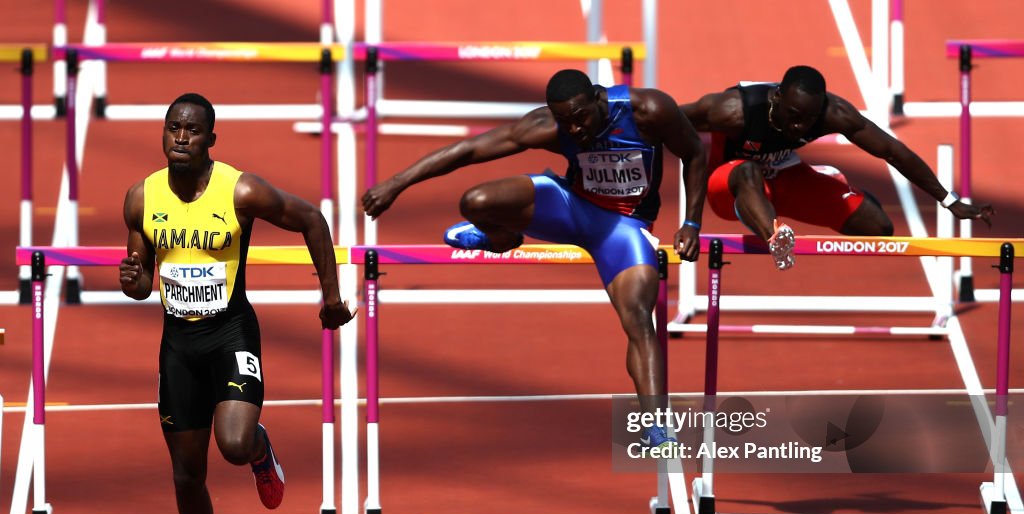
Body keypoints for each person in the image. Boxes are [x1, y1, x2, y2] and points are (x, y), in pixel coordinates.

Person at [361, 69, 706, 448]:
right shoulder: (550, 126)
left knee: (639, 319)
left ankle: (655, 424)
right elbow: (470, 150)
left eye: (580, 118)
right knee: (475, 201)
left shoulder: (649, 110)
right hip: (571, 207)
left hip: (624, 225)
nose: (574, 129)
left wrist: (691, 221)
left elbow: (695, 153)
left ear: (597, 97)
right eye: (564, 122)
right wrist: (396, 183)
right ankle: (503, 237)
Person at [118, 93, 356, 514]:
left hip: (230, 334)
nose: (181, 137)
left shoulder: (240, 189)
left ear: (210, 140)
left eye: (193, 130)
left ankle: (259, 449)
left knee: (232, 444)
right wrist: (134, 283)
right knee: (185, 476)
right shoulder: (141, 198)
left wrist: (332, 296)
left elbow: (312, 219)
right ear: (163, 134)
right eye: (173, 128)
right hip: (178, 345)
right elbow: (140, 278)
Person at [681, 64, 995, 270]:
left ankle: (828, 183)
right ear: (777, 97)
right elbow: (667, 122)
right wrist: (690, 222)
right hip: (729, 185)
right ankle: (776, 237)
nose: (798, 125)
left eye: (807, 119)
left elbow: (893, 151)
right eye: (792, 115)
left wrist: (949, 200)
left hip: (782, 175)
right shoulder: (733, 110)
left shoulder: (834, 114)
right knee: (748, 172)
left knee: (878, 228)